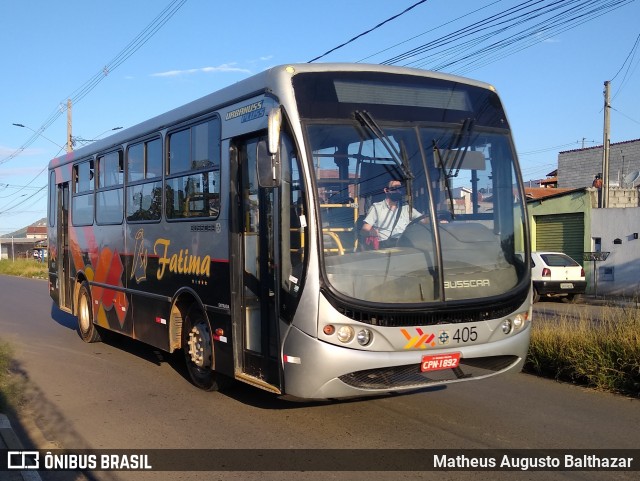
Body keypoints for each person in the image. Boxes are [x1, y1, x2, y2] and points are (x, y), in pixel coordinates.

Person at [361, 180, 422, 249]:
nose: (398, 191)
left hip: (406, 245)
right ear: (386, 190)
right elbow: (364, 231)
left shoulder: (407, 208)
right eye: (395, 188)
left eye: (400, 188)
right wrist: (371, 232)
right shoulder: (376, 208)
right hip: (386, 247)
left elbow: (424, 220)